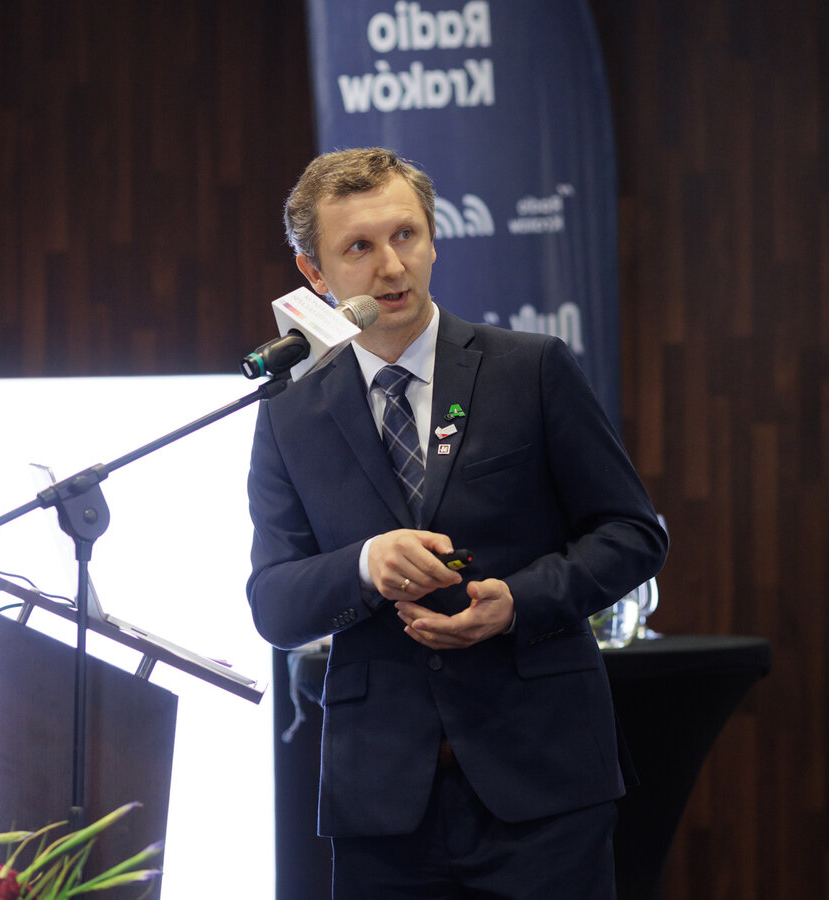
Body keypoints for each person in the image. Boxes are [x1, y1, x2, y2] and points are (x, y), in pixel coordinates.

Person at [246, 147, 667, 899]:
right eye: (359, 248)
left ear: (433, 239)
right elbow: (274, 604)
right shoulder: (289, 414)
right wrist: (364, 565)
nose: (391, 267)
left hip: (544, 784)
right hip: (383, 803)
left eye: (405, 235)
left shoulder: (530, 368)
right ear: (315, 273)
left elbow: (633, 533)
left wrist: (520, 602)